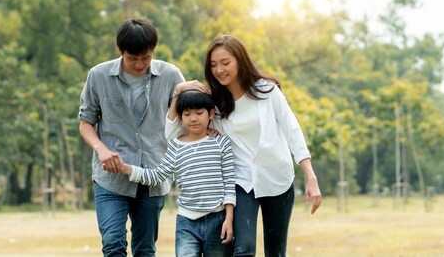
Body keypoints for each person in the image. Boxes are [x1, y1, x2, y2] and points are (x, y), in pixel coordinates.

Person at [167, 35, 322, 257]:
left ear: (240, 60)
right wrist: (178, 91)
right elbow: (173, 133)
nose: (219, 70)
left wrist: (311, 176)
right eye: (213, 65)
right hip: (241, 181)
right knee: (243, 249)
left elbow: (292, 130)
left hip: (277, 178)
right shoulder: (213, 103)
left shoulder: (267, 91)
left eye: (225, 62)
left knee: (276, 252)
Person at [78, 18, 185, 257]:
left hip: (153, 177)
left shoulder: (171, 75)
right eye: (132, 58)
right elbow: (86, 123)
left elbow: (188, 114)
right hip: (111, 178)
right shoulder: (98, 76)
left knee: (145, 250)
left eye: (145, 58)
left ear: (153, 52)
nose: (139, 64)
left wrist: (193, 90)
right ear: (120, 51)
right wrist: (101, 149)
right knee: (113, 245)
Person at [104, 90, 236, 257]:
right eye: (187, 114)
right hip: (186, 222)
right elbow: (158, 176)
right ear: (180, 118)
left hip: (218, 219)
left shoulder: (220, 142)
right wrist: (126, 168)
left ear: (210, 114)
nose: (193, 118)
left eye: (199, 113)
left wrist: (229, 218)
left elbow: (229, 181)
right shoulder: (175, 145)